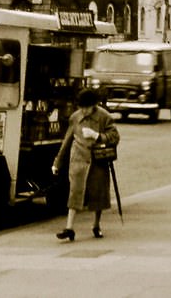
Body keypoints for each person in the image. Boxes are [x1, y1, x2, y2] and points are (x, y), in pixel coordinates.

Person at [51, 88, 120, 241]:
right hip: (79, 160)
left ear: (93, 106)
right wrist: (57, 162)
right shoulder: (75, 117)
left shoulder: (104, 117)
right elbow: (67, 140)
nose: (84, 110)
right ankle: (69, 228)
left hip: (97, 161)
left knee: (98, 194)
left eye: (86, 107)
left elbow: (114, 137)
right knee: (75, 193)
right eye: (81, 107)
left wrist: (97, 136)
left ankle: (96, 225)